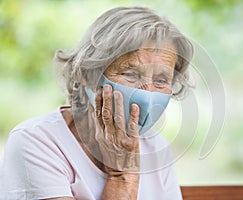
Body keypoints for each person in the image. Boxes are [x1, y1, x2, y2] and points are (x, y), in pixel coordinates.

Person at [0, 6, 193, 200]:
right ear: (88, 75)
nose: (147, 93)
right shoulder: (36, 142)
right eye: (131, 74)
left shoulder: (157, 148)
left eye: (160, 80)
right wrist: (122, 175)